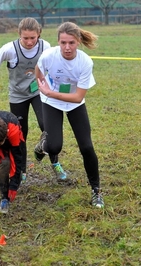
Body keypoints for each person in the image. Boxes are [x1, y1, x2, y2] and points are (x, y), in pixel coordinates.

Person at [0, 17, 66, 181]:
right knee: (21, 133)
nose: (29, 42)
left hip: (38, 92)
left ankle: (54, 163)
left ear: (39, 34)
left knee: (47, 127)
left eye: (33, 38)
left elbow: (57, 63)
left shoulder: (45, 47)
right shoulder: (10, 49)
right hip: (18, 96)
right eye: (25, 38)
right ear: (19, 35)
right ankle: (22, 170)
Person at [34, 22, 104, 208]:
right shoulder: (49, 56)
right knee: (55, 146)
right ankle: (43, 145)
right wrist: (43, 86)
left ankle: (96, 191)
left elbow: (78, 96)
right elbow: (38, 70)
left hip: (74, 102)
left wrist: (51, 92)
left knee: (87, 147)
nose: (67, 47)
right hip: (51, 102)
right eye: (63, 42)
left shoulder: (85, 62)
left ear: (78, 42)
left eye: (71, 43)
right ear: (57, 42)